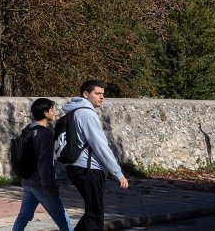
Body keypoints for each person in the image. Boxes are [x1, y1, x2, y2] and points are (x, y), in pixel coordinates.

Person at [62, 79, 129, 231]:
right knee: (95, 215)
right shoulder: (87, 114)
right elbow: (100, 146)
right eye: (97, 93)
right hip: (88, 169)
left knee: (93, 212)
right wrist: (118, 173)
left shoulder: (75, 112)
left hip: (76, 166)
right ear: (86, 94)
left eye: (103, 94)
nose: (101, 97)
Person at [11, 98, 74, 231]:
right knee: (61, 216)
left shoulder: (28, 130)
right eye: (51, 109)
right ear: (45, 113)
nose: (53, 112)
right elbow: (45, 162)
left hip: (28, 182)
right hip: (41, 184)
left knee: (24, 216)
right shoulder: (45, 135)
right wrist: (47, 184)